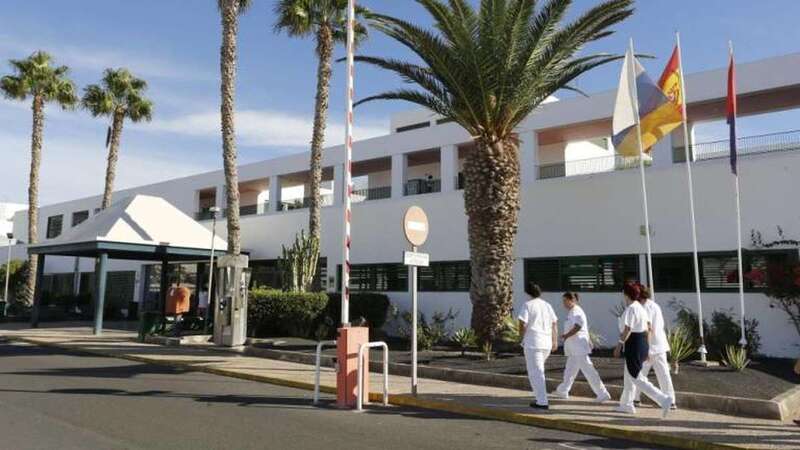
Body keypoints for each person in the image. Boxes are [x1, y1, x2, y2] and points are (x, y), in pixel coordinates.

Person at [614, 283, 673, 418]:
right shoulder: (640, 308)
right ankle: (626, 404)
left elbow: (627, 329)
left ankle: (663, 399)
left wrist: (619, 345)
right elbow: (648, 328)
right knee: (629, 375)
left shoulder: (631, 309)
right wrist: (646, 348)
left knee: (636, 376)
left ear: (626, 294)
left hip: (633, 344)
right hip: (641, 343)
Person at [552, 292, 611, 403]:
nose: (563, 303)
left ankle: (602, 393)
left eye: (565, 300)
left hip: (578, 347)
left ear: (572, 300)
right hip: (574, 348)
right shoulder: (572, 312)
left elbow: (579, 326)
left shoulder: (576, 311)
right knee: (570, 369)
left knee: (589, 370)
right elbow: (584, 328)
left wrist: (566, 335)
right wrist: (588, 339)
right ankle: (563, 390)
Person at [633, 285, 676, 409]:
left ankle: (635, 399)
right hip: (659, 345)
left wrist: (645, 348)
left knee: (639, 374)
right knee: (663, 374)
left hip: (650, 346)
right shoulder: (654, 305)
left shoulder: (643, 308)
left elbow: (648, 329)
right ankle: (671, 400)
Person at [517, 283, 558, 410]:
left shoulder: (527, 305)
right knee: (538, 371)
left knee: (536, 373)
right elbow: (554, 324)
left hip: (533, 343)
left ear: (527, 293)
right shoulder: (547, 305)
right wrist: (555, 341)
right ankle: (540, 398)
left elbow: (522, 324)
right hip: (546, 343)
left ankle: (542, 401)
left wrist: (520, 337)